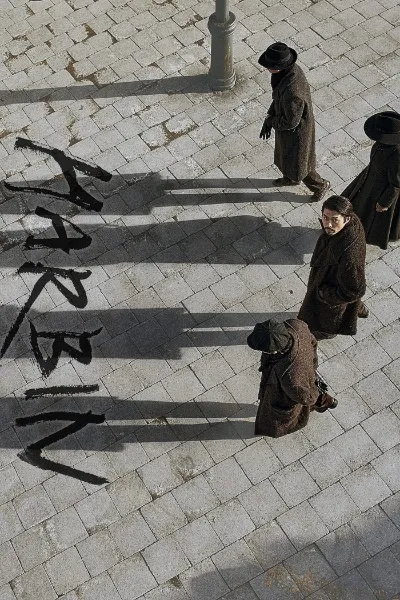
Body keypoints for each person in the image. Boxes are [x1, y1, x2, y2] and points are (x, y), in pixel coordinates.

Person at [258, 42, 330, 202]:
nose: (267, 68)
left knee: (301, 165)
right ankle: (290, 178)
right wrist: (270, 115)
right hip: (286, 128)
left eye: (270, 66)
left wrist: (271, 121)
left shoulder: (293, 92)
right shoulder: (286, 73)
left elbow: (291, 122)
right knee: (286, 157)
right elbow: (278, 99)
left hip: (297, 134)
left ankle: (320, 185)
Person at [247, 318, 337, 438]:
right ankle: (325, 400)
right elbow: (313, 342)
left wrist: (314, 395)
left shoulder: (290, 377)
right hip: (305, 373)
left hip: (290, 389)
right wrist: (311, 366)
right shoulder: (296, 325)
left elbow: (306, 398)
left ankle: (323, 401)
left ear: (274, 351)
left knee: (275, 419)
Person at [298, 195, 368, 340]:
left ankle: (327, 332)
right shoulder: (351, 222)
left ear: (346, 219)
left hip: (331, 290)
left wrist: (324, 295)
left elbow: (355, 291)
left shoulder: (350, 257)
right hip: (335, 278)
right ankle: (359, 309)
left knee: (326, 319)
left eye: (335, 220)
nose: (328, 224)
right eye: (325, 217)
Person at [341, 111, 400, 250]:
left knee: (369, 218)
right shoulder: (382, 145)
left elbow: (396, 184)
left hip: (379, 191)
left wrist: (384, 202)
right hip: (369, 180)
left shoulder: (397, 155)